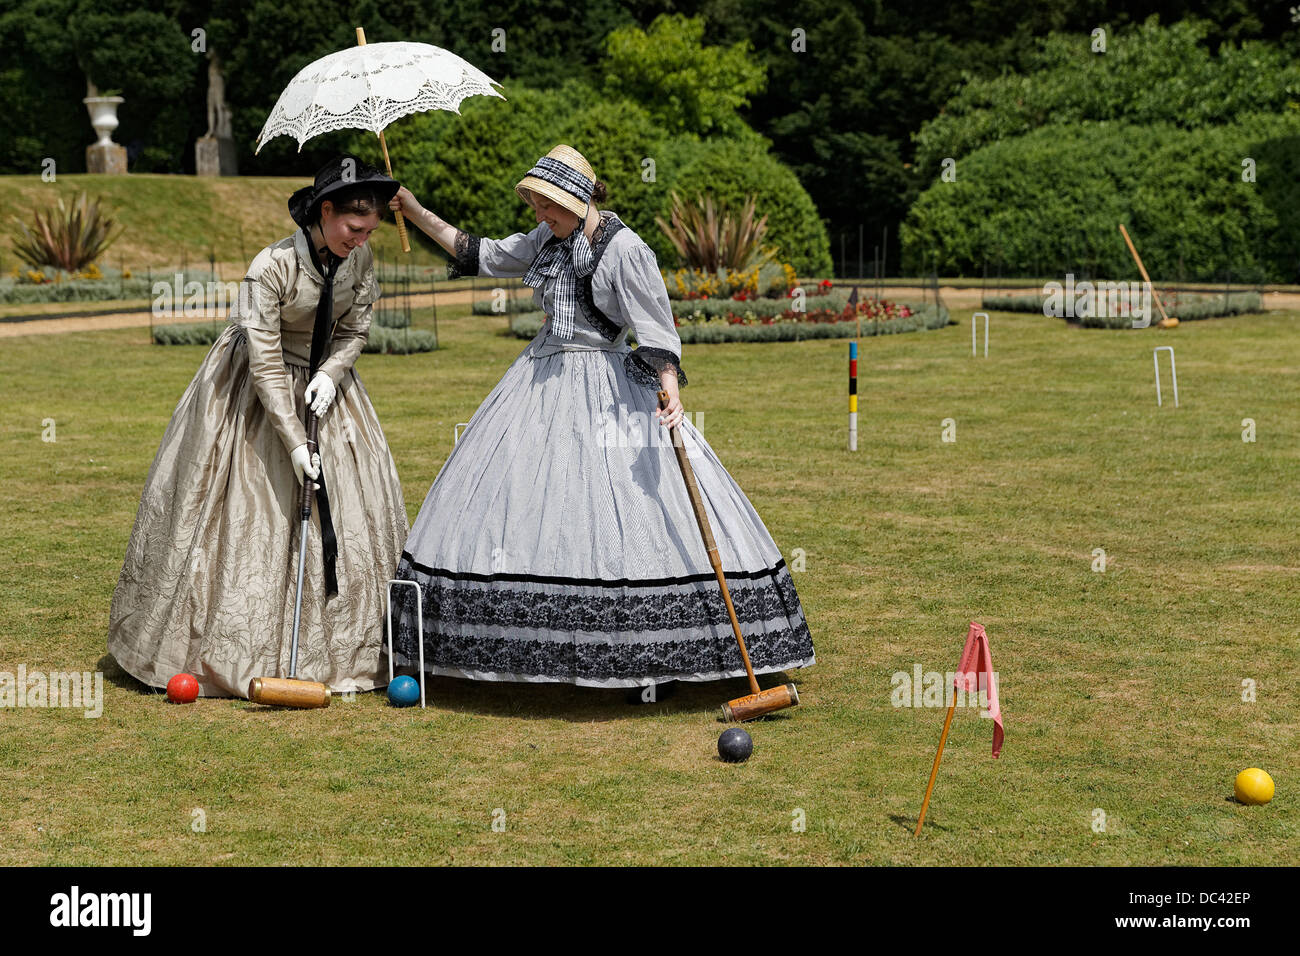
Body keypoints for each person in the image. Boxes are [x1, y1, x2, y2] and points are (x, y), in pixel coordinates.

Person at [386, 144, 814, 696]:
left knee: (624, 506)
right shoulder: (548, 238)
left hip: (608, 385)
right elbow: (482, 254)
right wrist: (415, 210)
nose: (540, 216)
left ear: (579, 199)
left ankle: (660, 645)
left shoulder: (626, 250)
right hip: (539, 377)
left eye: (549, 207)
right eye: (537, 206)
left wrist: (668, 393)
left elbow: (654, 329)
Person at [108, 155, 408, 698]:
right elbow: (265, 362)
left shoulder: (360, 263)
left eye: (370, 232)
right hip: (250, 389)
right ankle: (212, 650)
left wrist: (335, 373)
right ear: (324, 211)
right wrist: (294, 441)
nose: (361, 240)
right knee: (244, 513)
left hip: (323, 389)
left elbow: (355, 330)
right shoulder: (269, 266)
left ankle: (339, 649)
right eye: (353, 227)